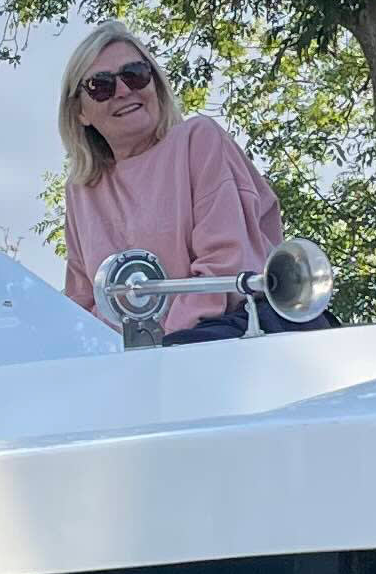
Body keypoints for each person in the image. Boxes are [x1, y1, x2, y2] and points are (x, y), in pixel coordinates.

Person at [54, 20, 294, 341]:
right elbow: (81, 301)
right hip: (130, 359)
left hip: (216, 341)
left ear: (154, 83)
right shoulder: (81, 189)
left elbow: (224, 265)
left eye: (135, 74)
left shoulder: (198, 140)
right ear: (79, 112)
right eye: (101, 85)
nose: (123, 90)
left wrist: (163, 347)